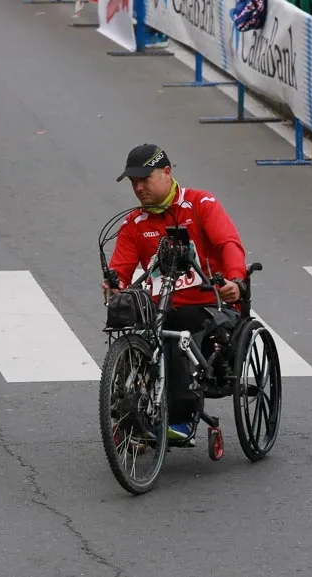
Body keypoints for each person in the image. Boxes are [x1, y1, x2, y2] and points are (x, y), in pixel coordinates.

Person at [104, 144, 247, 443]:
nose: (138, 188)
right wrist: (115, 287)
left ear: (166, 173)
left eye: (145, 179)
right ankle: (128, 416)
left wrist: (235, 280)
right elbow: (121, 269)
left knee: (174, 330)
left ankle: (181, 419)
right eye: (133, 182)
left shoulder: (200, 204)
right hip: (161, 308)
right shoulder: (133, 224)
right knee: (130, 325)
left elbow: (228, 244)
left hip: (209, 305)